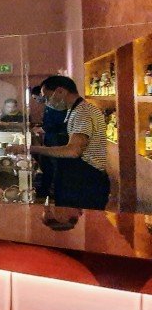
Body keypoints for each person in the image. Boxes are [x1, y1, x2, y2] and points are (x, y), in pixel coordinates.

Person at [28, 76, 109, 210]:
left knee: (82, 225)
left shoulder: (83, 112)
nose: (47, 103)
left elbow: (73, 151)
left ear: (60, 91)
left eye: (47, 98)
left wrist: (33, 149)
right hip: (77, 178)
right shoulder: (74, 110)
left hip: (85, 181)